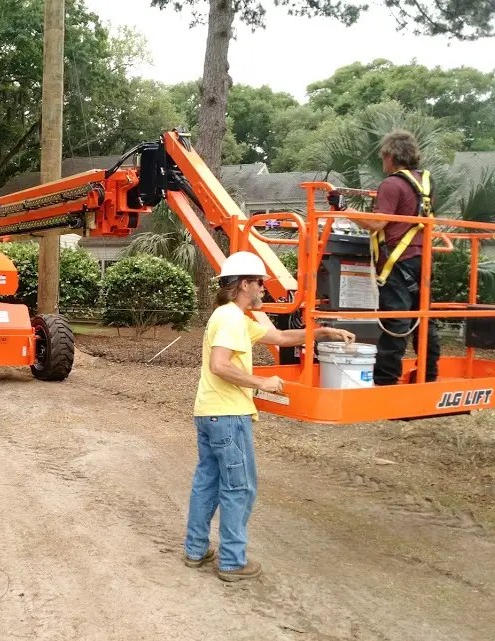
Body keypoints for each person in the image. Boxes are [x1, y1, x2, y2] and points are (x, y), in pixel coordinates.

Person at [183, 251, 354, 581]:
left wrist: (320, 333)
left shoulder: (229, 316)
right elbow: (220, 365)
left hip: (209, 413)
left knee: (208, 483)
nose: (264, 288)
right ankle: (232, 562)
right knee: (240, 488)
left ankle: (196, 549)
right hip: (229, 416)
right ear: (245, 284)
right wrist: (262, 382)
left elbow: (278, 337)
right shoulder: (232, 319)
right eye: (260, 282)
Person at [329, 129, 441, 385]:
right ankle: (429, 375)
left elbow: (378, 222)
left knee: (396, 322)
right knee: (424, 319)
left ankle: (385, 380)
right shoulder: (426, 183)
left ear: (390, 156)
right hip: (422, 260)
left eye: (383, 158)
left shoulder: (392, 184)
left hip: (397, 264)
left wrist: (344, 209)